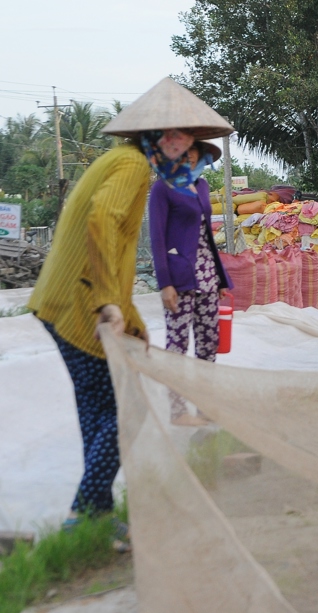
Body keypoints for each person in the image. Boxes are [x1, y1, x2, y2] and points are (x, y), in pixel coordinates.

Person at [27, 77, 233, 548]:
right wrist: (107, 304)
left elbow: (115, 245)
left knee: (98, 408)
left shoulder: (120, 162)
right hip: (79, 304)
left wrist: (130, 320)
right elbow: (102, 222)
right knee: (128, 410)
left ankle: (96, 514)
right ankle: (84, 514)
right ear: (162, 140)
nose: (185, 156)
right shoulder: (131, 167)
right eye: (180, 144)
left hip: (62, 300)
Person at [148, 139, 233, 426]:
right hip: (179, 278)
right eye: (184, 156)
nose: (190, 161)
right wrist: (165, 284)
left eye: (194, 157)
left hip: (208, 276)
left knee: (208, 345)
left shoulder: (203, 185)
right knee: (177, 346)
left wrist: (221, 277)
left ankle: (205, 407)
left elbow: (206, 234)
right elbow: (157, 237)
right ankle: (177, 411)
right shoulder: (162, 187)